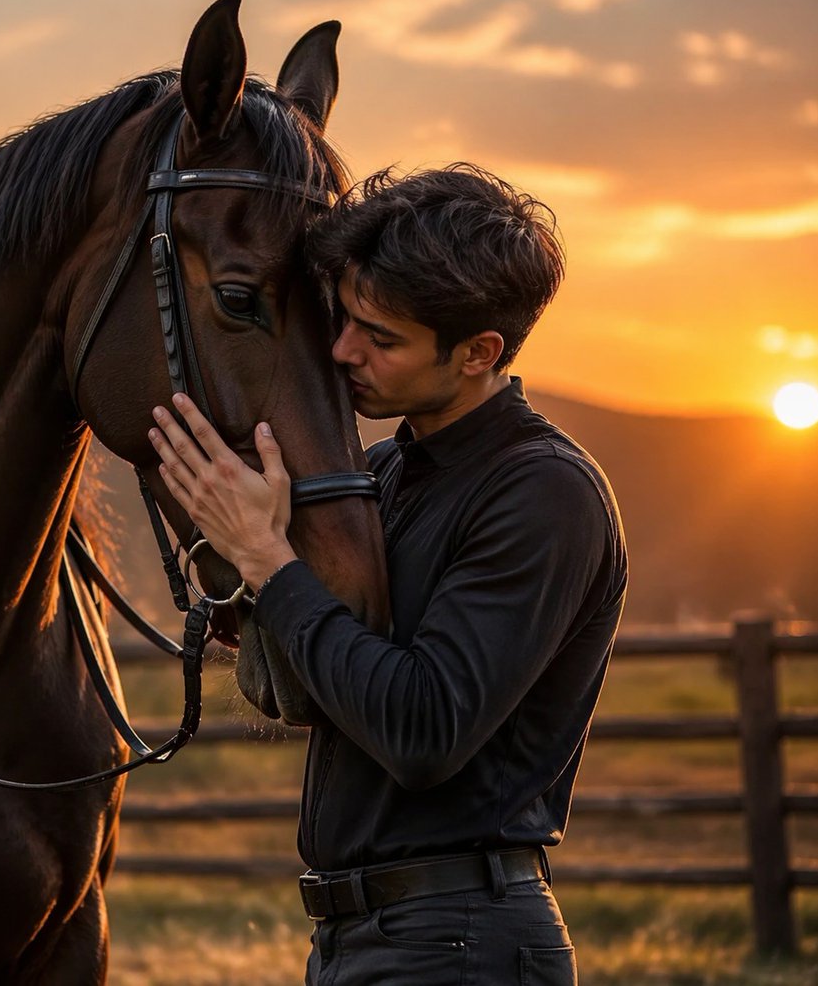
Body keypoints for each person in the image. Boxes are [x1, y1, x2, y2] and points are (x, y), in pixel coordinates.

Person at [147, 163, 627, 984]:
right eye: (344, 318)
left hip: (460, 943)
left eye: (382, 337)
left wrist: (272, 561)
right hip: (358, 939)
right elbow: (320, 693)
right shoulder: (384, 476)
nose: (343, 350)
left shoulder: (544, 493)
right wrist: (247, 566)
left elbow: (423, 731)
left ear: (479, 352)